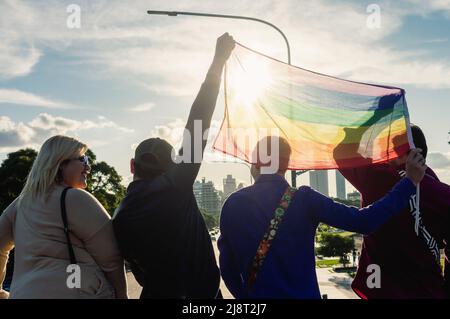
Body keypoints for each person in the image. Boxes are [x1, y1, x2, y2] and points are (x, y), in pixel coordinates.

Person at [218, 136, 426, 299]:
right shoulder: (304, 200)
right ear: (287, 165)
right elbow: (365, 221)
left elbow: (227, 270)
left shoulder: (232, 205)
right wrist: (409, 182)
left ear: (255, 164)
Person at [113, 33, 235, 299]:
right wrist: (218, 61)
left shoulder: (119, 217)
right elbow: (199, 120)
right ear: (172, 166)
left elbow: (137, 270)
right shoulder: (176, 184)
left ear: (132, 165)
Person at [0, 135, 127, 299]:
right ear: (60, 164)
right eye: (82, 159)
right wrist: (122, 295)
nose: (88, 166)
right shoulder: (75, 198)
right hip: (76, 291)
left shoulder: (21, 203)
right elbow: (111, 259)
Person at [335, 124, 450, 299]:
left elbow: (341, 153)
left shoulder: (380, 177)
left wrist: (370, 122)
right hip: (429, 290)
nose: (384, 157)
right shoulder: (443, 192)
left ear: (410, 154)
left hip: (381, 289)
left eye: (389, 150)